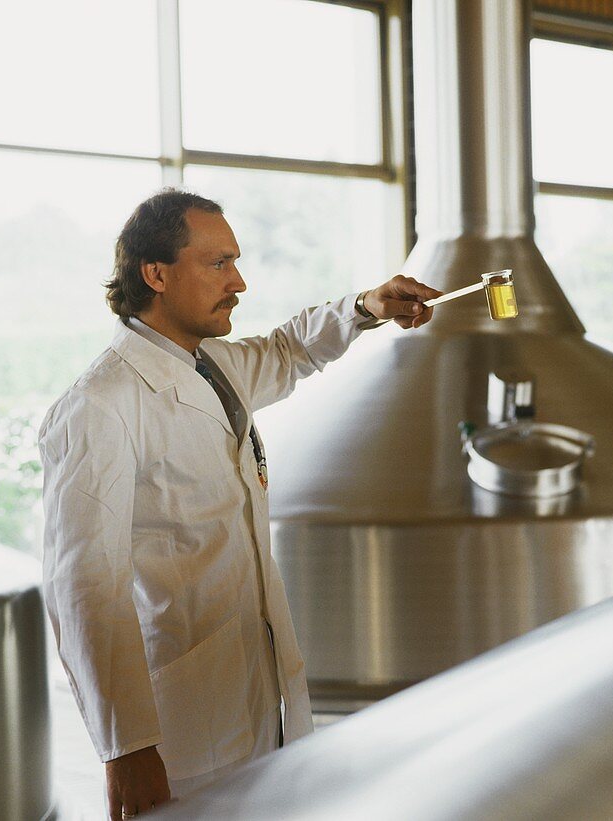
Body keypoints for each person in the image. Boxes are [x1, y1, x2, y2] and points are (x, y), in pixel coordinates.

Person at [39, 189, 441, 820]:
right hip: (180, 730)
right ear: (157, 275)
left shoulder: (212, 367)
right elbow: (84, 583)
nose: (240, 282)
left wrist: (366, 308)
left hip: (258, 698)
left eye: (236, 262)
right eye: (219, 264)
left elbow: (289, 351)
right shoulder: (102, 404)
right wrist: (126, 747)